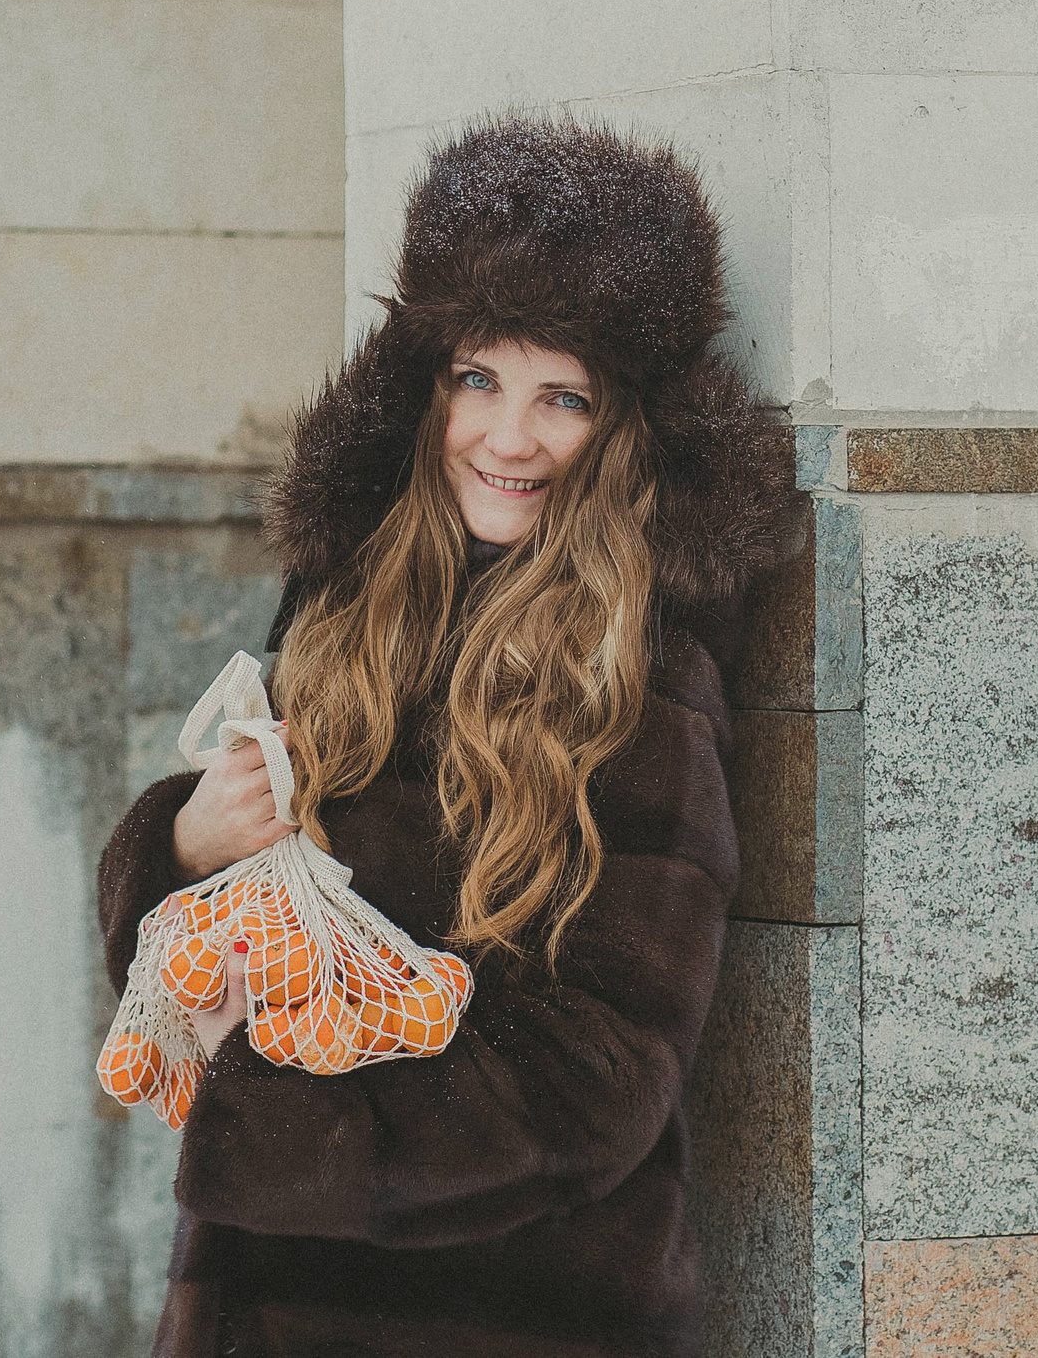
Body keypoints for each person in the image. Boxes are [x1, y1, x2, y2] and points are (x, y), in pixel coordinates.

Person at [97, 114, 797, 1357]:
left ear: (620, 425)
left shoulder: (642, 676)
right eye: (478, 379)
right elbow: (228, 946)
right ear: (426, 387)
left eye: (562, 398)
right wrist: (187, 843)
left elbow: (601, 1078)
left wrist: (267, 1117)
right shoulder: (345, 605)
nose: (508, 437)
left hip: (505, 1318)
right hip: (263, 1308)